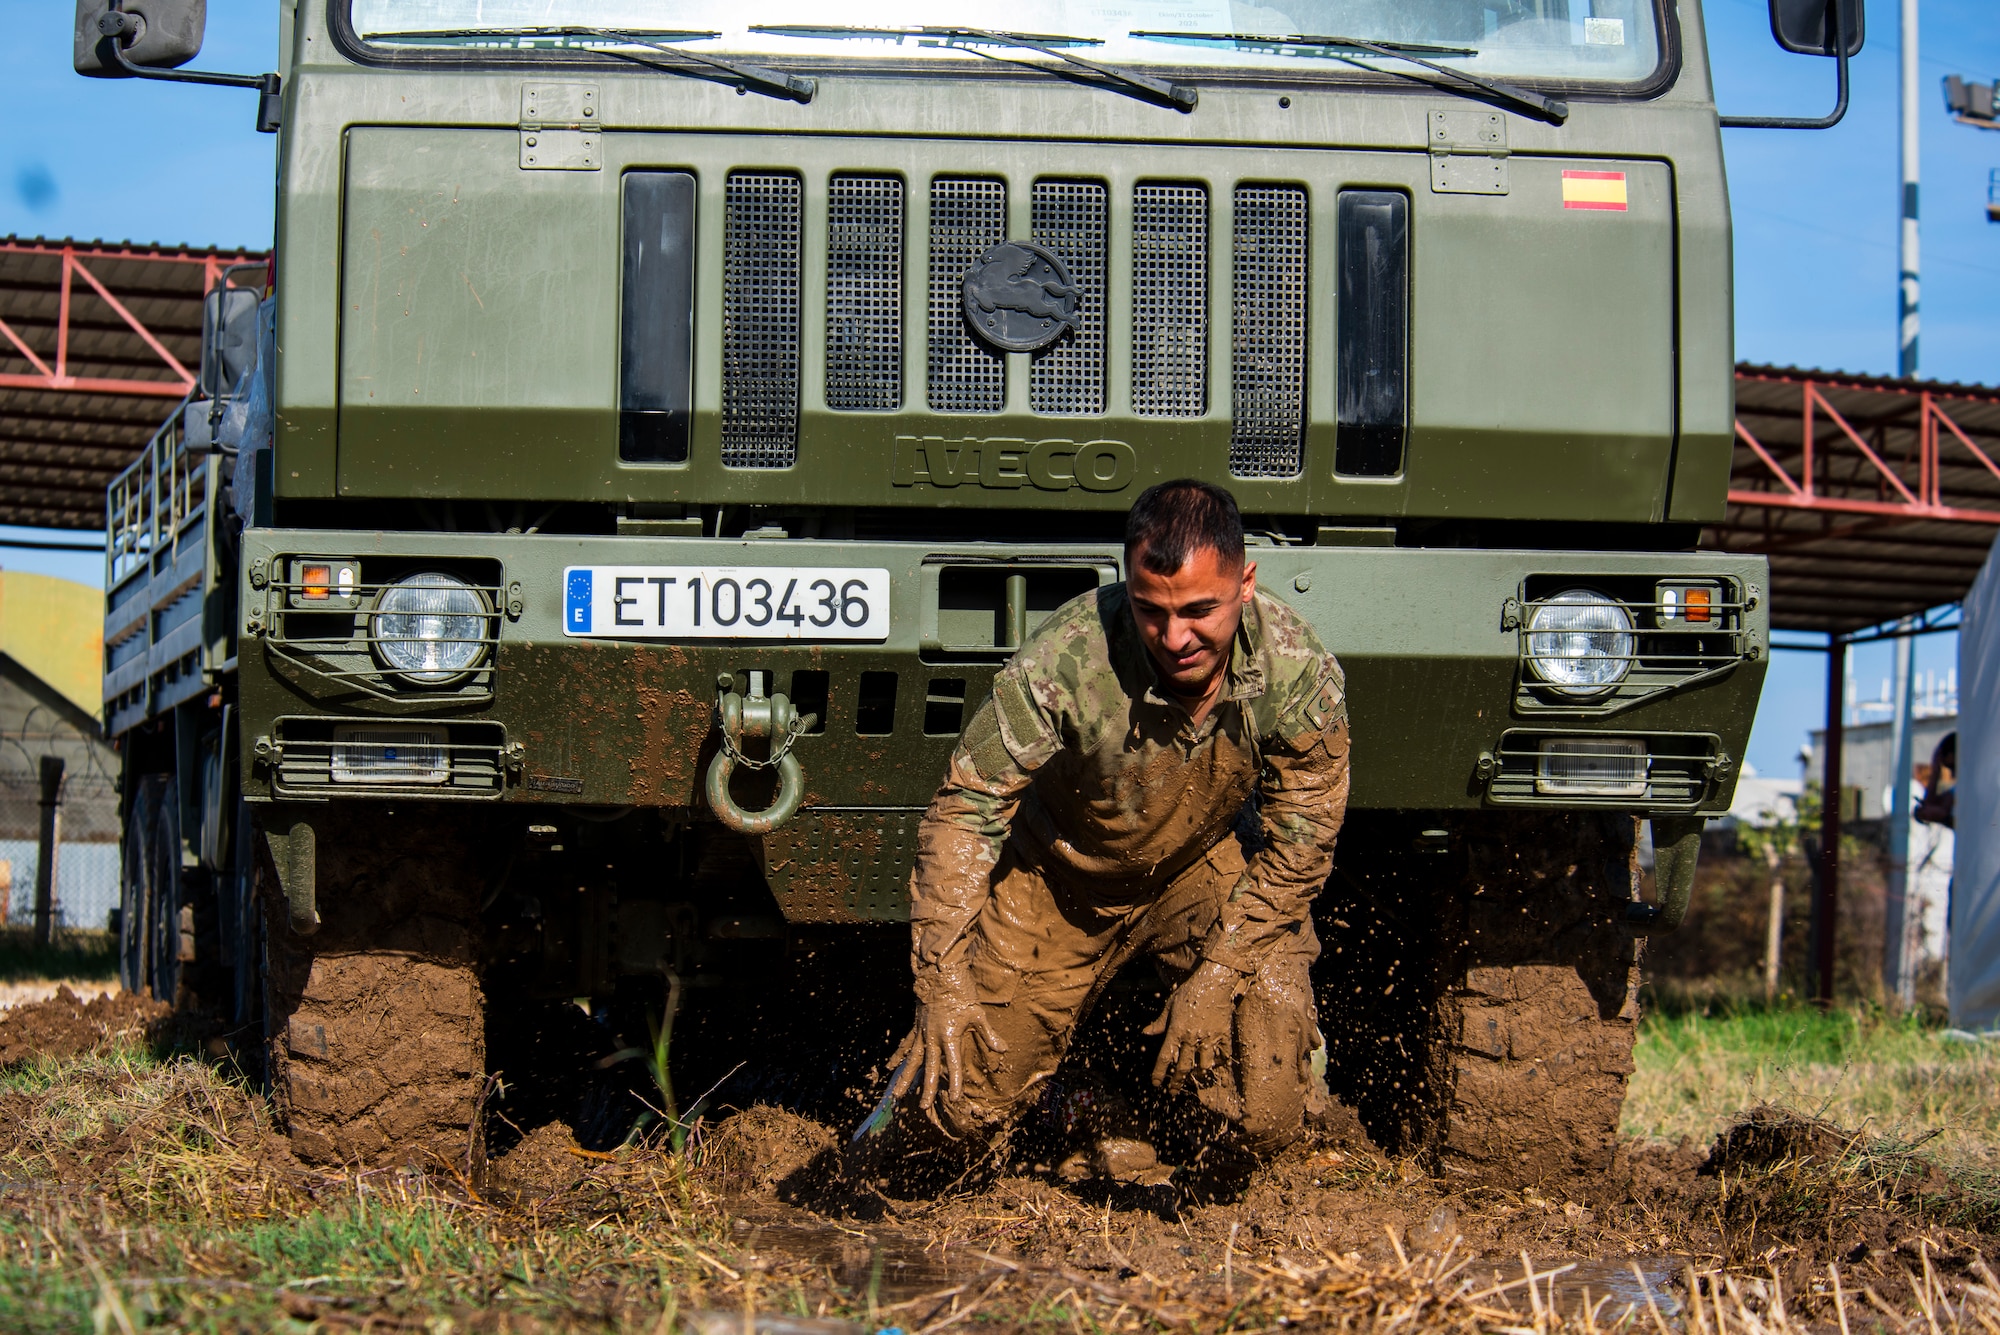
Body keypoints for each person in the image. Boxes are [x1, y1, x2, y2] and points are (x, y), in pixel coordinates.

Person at [853, 479, 1350, 1187]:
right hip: (1054, 886)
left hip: (1195, 871)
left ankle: (1160, 1123)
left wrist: (1219, 971)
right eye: (1152, 612)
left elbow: (1303, 843)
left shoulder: (1295, 668)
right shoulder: (1068, 656)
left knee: (1264, 1101)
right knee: (954, 1108)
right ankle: (1056, 1100)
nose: (1176, 638)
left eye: (1200, 611)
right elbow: (966, 810)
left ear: (1246, 582)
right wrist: (942, 981)